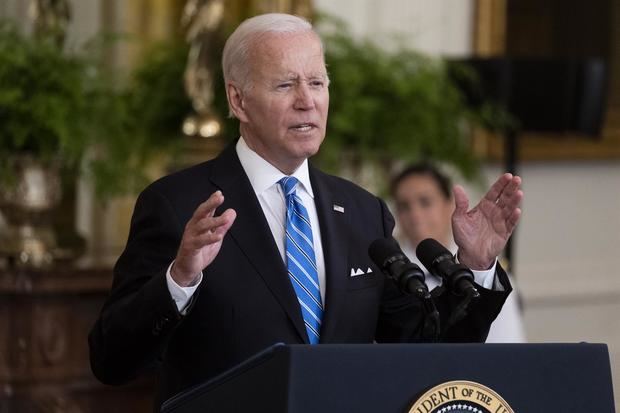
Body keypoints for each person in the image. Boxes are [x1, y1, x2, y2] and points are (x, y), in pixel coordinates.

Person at [88, 13, 524, 408]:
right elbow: (111, 360)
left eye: (316, 83)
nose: (307, 100)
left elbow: (425, 350)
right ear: (238, 101)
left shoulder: (360, 210)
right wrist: (179, 280)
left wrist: (476, 265)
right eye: (285, 84)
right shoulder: (177, 205)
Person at [391, 163, 526, 342]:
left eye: (425, 202)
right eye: (404, 206)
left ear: (448, 204)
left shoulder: (484, 269)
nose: (415, 215)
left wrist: (478, 267)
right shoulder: (389, 274)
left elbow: (507, 345)